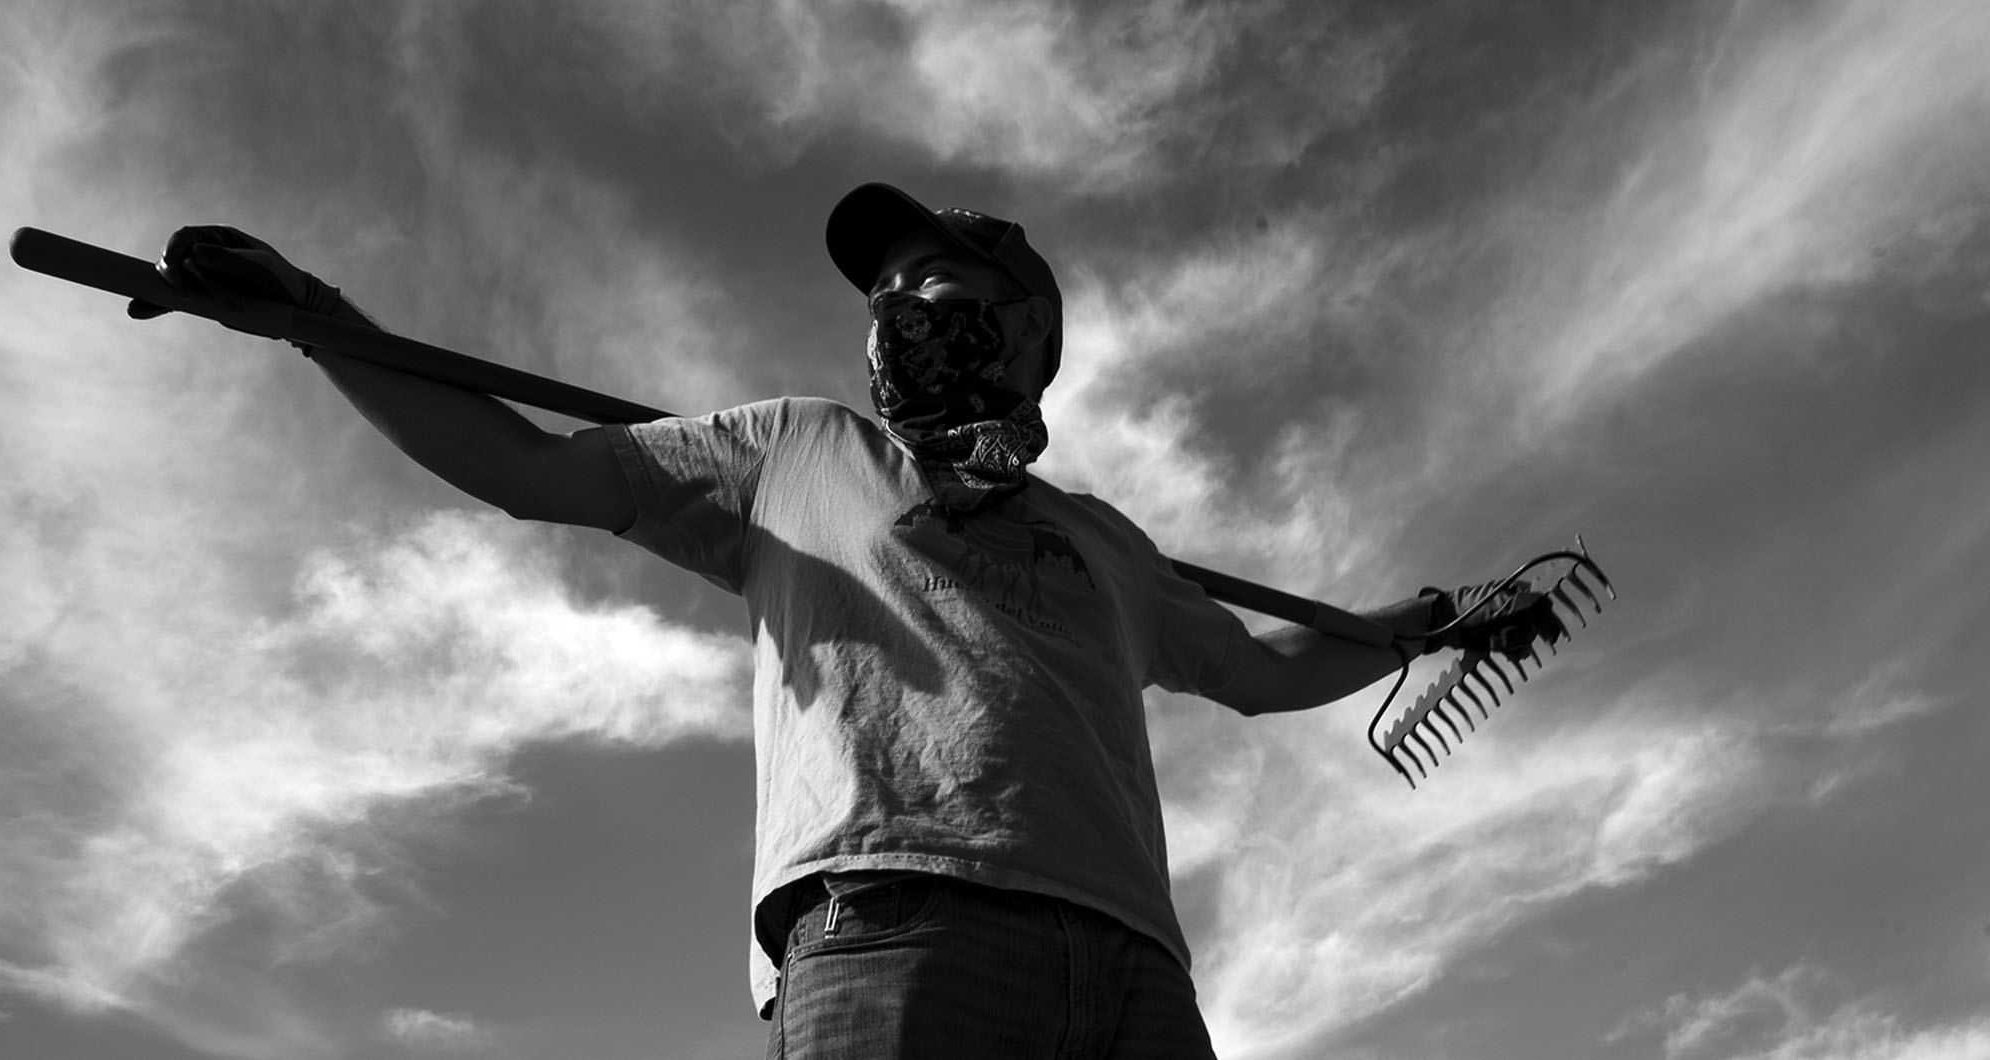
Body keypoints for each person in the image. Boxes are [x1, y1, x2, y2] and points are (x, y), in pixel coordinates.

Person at [132, 183, 1557, 1059]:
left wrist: (1421, 622)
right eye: (880, 295)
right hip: (893, 929)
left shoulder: (1107, 545)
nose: (893, 312)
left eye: (929, 283)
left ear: (1024, 324)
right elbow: (524, 469)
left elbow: (1256, 669)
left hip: (1132, 971)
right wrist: (319, 320)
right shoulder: (798, 452)